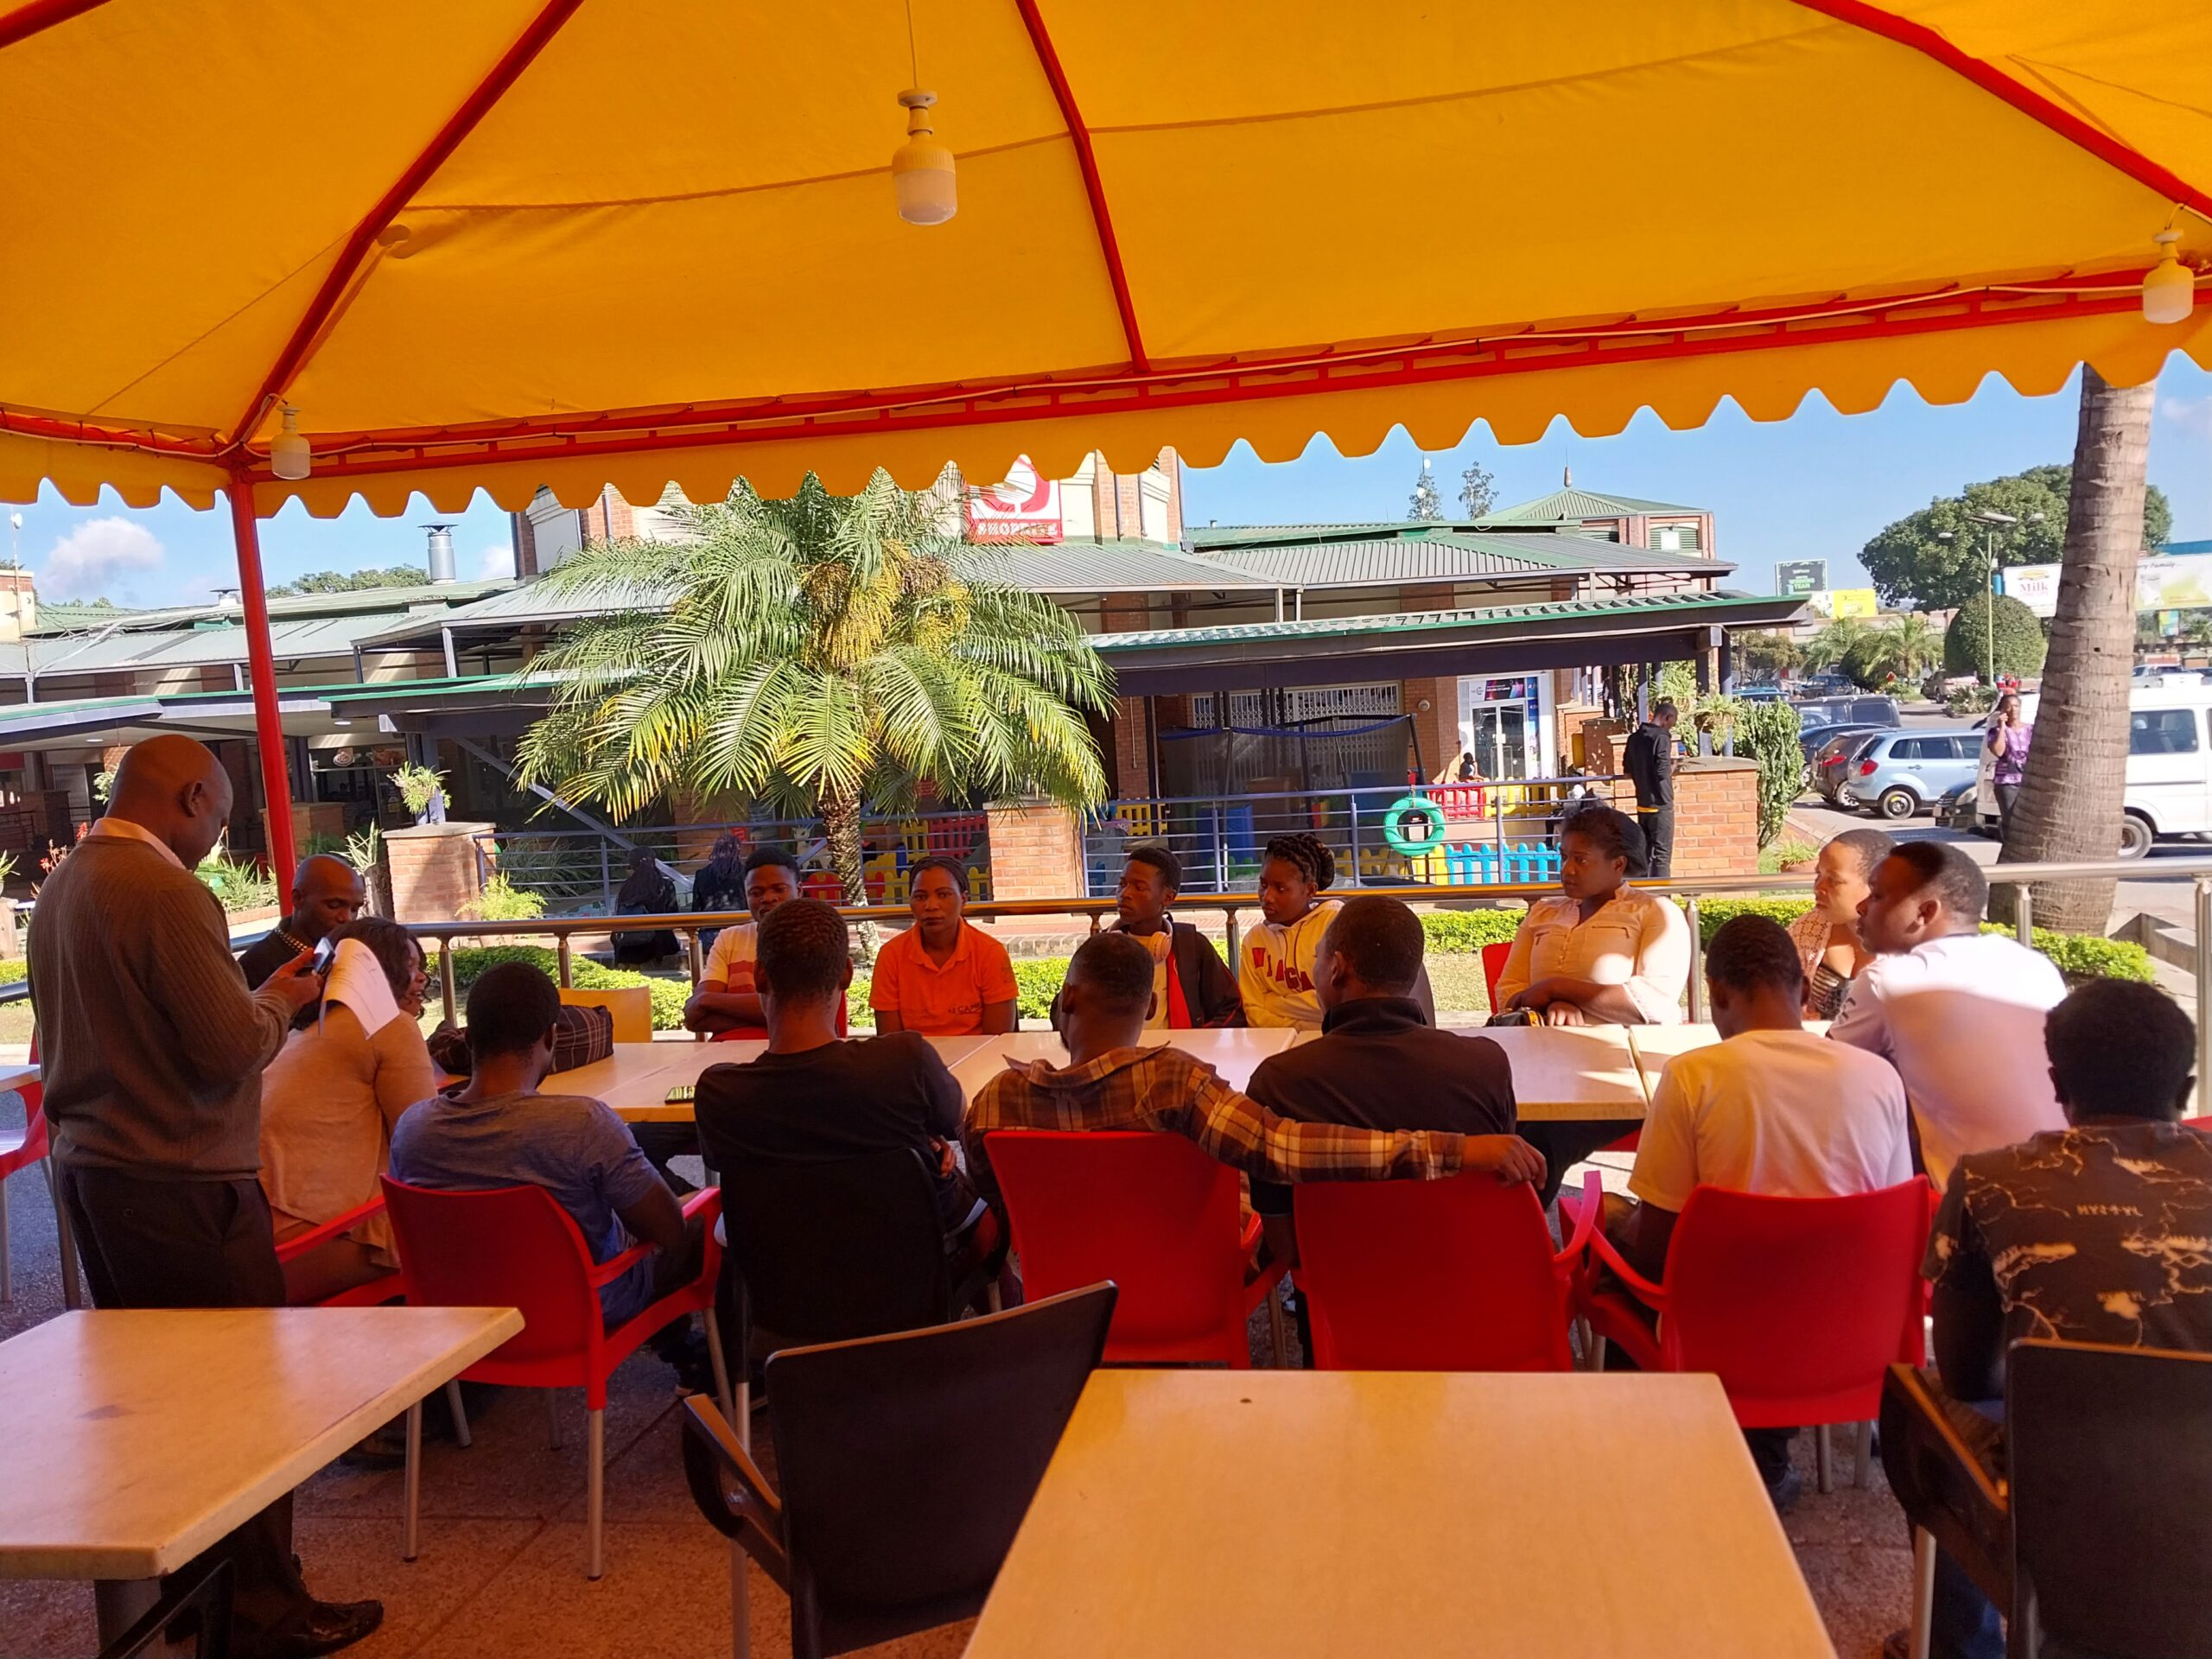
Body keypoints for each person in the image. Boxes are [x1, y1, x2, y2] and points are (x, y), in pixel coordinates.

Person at [28, 734, 380, 1659]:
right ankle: (262, 1612)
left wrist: (249, 996)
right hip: (183, 1182)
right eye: (220, 819)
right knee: (240, 1405)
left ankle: (195, 1591)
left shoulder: (63, 887)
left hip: (98, 1173)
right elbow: (227, 1050)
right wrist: (280, 1003)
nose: (217, 838)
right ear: (190, 798)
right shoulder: (165, 890)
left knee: (163, 1406)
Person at [1902, 980, 2212, 1659]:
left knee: (1919, 1404)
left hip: (2058, 1498)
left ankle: (1965, 1647)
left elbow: (1967, 1376)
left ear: (2056, 1083)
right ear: (2187, 1090)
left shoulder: (1989, 1181)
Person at [1602, 916, 1912, 1510]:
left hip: (1726, 1336)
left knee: (1613, 1258)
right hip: (1850, 1329)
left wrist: (1614, 1225)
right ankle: (1765, 1453)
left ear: (1717, 994)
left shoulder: (1693, 1077)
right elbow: (1890, 1223)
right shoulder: (1879, 1077)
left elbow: (1659, 1249)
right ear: (1805, 989)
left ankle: (1645, 1452)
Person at [963, 930, 1543, 1224]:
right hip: (1182, 1281)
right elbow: (1286, 1149)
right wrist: (1456, 1149)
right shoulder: (1174, 1084)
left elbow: (999, 1200)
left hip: (1063, 1296)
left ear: (1066, 999)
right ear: (1149, 1008)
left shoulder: (994, 1104)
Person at [390, 963, 705, 1343]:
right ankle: (717, 1366)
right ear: (551, 1037)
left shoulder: (412, 1129)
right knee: (712, 1220)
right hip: (579, 1310)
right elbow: (669, 1231)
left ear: (469, 1040)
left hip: (459, 1320)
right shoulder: (583, 1124)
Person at [695, 899, 988, 1251]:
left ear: (759, 976)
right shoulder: (905, 1063)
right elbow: (956, 1120)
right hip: (907, 1267)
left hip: (779, 1274)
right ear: (847, 974)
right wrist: (913, 1131)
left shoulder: (718, 1093)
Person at [1243, 895, 1517, 1268]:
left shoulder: (1278, 1083)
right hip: (1462, 1282)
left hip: (1336, 1291)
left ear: (1336, 968)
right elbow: (1499, 1191)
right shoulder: (1486, 1066)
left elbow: (1287, 1249)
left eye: (1318, 960)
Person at [1830, 841, 2065, 1185]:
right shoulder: (2033, 964)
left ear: (1925, 912)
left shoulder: (1889, 978)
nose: (1861, 907)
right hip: (2070, 1176)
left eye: (1877, 896)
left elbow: (1827, 1074)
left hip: (1978, 1201)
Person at [259, 918, 436, 1305]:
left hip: (258, 1233)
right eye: (409, 966)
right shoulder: (389, 1026)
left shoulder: (298, 1033)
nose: (421, 977)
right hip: (307, 1242)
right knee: (471, 1234)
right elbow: (425, 1146)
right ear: (377, 972)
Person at [1494, 805, 1689, 1027]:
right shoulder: (1543, 912)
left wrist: (1556, 988)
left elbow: (1655, 1005)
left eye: (1581, 860)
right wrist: (1552, 1005)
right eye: (1564, 857)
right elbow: (1507, 991)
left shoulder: (1655, 913)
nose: (1567, 869)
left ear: (1618, 864)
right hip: (1537, 1042)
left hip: (1621, 1046)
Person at [1052, 846, 1243, 1030]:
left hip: (1179, 1048)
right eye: (1122, 884)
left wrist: (1197, 1040)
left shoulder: (1191, 946)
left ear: (1168, 898)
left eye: (1139, 887)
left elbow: (1232, 1007)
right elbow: (1063, 1012)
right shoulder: (1101, 949)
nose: (1125, 894)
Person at [870, 854, 1018, 1036]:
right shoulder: (891, 955)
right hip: (912, 1054)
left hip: (980, 1054)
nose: (931, 906)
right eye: (920, 897)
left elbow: (998, 1039)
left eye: (943, 895)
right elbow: (890, 1041)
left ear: (963, 899)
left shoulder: (990, 953)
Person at [683, 846, 811, 1040]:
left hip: (794, 1052)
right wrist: (775, 1016)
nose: (767, 898)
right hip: (729, 1053)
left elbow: (800, 1011)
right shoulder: (729, 939)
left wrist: (709, 999)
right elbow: (696, 1017)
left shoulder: (816, 938)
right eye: (756, 892)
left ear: (799, 891)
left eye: (779, 889)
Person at [1784, 827, 1893, 1019]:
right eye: (1819, 875)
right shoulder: (1806, 931)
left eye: (1834, 880)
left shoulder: (1917, 949)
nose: (1818, 887)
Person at [1238, 832, 1344, 1029]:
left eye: (1280, 888)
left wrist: (1272, 1002)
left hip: (1332, 1042)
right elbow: (1253, 1010)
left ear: (1310, 890)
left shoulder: (1334, 925)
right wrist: (1302, 1027)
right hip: (1275, 1044)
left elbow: (1340, 1001)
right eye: (1263, 885)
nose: (1267, 897)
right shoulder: (1254, 940)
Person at [237, 852, 367, 988]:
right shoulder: (255, 965)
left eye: (354, 909)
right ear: (298, 899)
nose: (347, 918)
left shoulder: (350, 951)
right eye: (334, 905)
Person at [1622, 699, 1679, 879]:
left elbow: (1627, 772)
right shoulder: (1662, 737)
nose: (1671, 727)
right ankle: (1663, 895)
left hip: (1642, 805)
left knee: (1644, 855)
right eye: (1673, 722)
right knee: (1662, 856)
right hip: (1661, 805)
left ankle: (1641, 892)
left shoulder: (1634, 738)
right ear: (1668, 717)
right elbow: (1662, 772)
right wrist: (1674, 766)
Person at [610, 846, 679, 965]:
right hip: (660, 946)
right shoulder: (665, 885)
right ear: (654, 862)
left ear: (632, 865)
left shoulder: (626, 888)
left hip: (627, 948)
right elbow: (674, 916)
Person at [1985, 692, 2031, 833]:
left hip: (2028, 782)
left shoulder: (2031, 729)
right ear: (2002, 710)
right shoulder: (1995, 731)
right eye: (2009, 706)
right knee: (2010, 821)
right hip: (2007, 783)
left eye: (2016, 706)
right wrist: (2002, 728)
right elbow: (1999, 752)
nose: (2013, 709)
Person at [689, 830, 747, 925]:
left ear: (715, 851)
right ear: (737, 851)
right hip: (739, 925)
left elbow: (696, 909)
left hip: (710, 926)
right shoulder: (745, 873)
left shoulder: (702, 874)